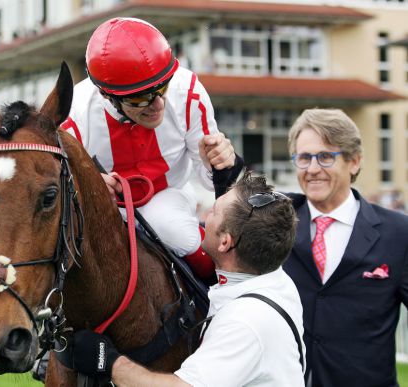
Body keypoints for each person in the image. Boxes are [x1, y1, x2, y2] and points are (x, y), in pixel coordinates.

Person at [60, 171, 305, 387]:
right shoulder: (273, 278)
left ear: (225, 242)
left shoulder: (246, 322)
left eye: (214, 212)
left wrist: (110, 362)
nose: (206, 214)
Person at [61, 17, 242, 281]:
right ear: (107, 96)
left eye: (162, 88)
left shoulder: (188, 91)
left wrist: (219, 162)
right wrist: (87, 186)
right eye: (140, 98)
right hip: (103, 208)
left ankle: (221, 296)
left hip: (167, 193)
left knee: (172, 229)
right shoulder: (74, 115)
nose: (158, 104)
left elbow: (207, 181)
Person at [282, 108, 408, 387]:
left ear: (354, 162)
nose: (313, 169)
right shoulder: (277, 222)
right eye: (304, 158)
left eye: (326, 157)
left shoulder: (399, 233)